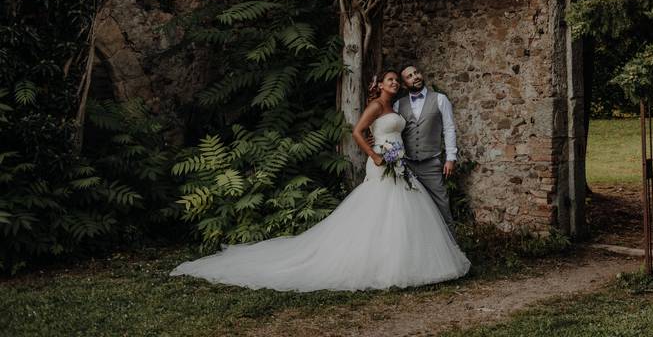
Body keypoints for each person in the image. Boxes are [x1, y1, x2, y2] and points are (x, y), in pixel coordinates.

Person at [169, 70, 470, 291]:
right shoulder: (378, 106)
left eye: (396, 80)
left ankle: (413, 261)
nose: (394, 83)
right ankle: (378, 264)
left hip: (400, 164)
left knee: (406, 213)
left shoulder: (397, 106)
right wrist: (377, 156)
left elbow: (408, 131)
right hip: (382, 163)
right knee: (382, 212)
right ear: (378, 85)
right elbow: (357, 132)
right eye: (390, 80)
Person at [394, 64, 457, 229]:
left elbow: (449, 128)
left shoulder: (440, 99)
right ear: (403, 83)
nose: (415, 77)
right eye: (409, 76)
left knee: (442, 203)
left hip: (431, 163)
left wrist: (451, 158)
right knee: (410, 207)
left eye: (416, 73)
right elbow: (393, 130)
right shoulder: (398, 105)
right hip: (407, 165)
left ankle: (452, 246)